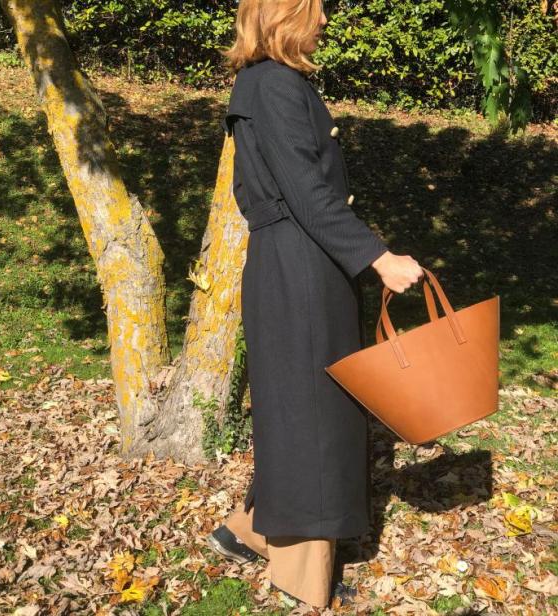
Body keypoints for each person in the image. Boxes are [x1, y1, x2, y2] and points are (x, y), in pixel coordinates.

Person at [205, 0, 423, 609]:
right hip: (298, 266)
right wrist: (379, 257)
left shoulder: (269, 83)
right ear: (284, 14)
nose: (325, 21)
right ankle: (304, 578)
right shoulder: (272, 85)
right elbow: (306, 193)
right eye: (316, 9)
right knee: (313, 416)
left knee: (301, 405)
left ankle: (249, 528)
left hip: (299, 263)